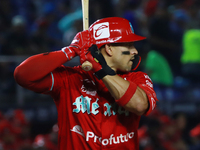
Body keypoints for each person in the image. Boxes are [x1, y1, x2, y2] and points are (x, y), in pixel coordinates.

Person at [14, 17, 158, 150]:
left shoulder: (138, 78)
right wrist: (71, 51)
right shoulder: (70, 78)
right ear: (108, 48)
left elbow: (140, 105)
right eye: (129, 45)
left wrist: (100, 70)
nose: (135, 51)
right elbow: (23, 75)